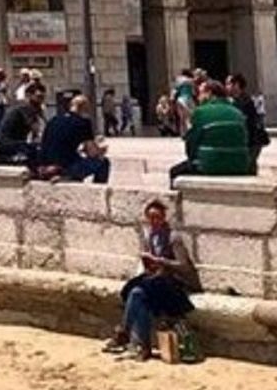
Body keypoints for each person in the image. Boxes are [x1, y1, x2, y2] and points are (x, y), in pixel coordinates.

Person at [106, 199, 198, 360]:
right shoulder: (150, 237)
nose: (154, 221)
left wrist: (160, 260)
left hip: (172, 281)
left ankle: (126, 333)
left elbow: (183, 266)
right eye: (151, 218)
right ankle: (142, 346)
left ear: (163, 218)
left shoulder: (173, 238)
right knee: (136, 293)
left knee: (138, 291)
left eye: (157, 218)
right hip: (155, 279)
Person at [170, 80, 253, 181]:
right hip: (240, 164)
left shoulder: (200, 112)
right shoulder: (237, 112)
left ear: (209, 94)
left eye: (200, 93)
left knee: (174, 172)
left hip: (209, 164)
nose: (198, 97)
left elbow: (191, 145)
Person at [40, 93, 110, 183]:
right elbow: (92, 153)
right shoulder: (83, 123)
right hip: (64, 167)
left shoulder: (53, 120)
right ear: (84, 108)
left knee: (76, 158)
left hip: (46, 166)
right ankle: (94, 188)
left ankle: (68, 176)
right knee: (103, 163)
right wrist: (101, 150)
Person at [0, 81, 46, 171]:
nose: (41, 100)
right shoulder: (25, 108)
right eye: (39, 97)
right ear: (29, 95)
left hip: (15, 142)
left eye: (43, 97)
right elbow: (36, 129)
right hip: (10, 143)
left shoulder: (31, 107)